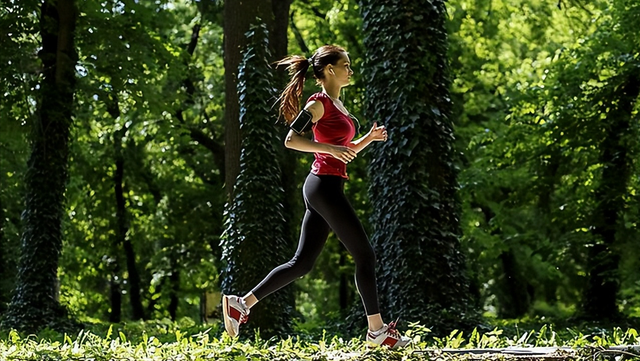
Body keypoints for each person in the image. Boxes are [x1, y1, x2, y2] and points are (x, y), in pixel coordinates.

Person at [222, 45, 410, 348]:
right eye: (346, 65)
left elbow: (343, 152)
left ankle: (240, 304)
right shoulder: (318, 103)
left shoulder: (338, 105)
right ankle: (376, 330)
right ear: (331, 70)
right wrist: (331, 149)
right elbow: (291, 140)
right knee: (365, 255)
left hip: (326, 184)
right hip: (323, 186)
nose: (350, 70)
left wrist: (368, 140)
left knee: (302, 263)